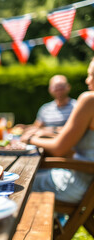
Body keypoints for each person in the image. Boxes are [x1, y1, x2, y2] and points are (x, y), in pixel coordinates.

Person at [20, 58, 94, 203]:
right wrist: (44, 134)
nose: (87, 80)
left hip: (79, 185)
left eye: (91, 75)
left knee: (18, 182)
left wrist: (29, 139)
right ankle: (54, 222)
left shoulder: (89, 100)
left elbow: (58, 149)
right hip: (88, 184)